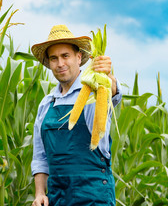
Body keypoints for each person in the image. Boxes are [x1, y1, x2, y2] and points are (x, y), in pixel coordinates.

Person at [30, 25, 122, 206]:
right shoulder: (46, 104)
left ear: (79, 57)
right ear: (49, 63)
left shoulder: (95, 93)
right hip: (58, 199)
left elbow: (112, 92)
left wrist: (107, 75)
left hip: (94, 198)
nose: (60, 63)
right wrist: (40, 193)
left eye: (65, 56)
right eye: (54, 58)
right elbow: (40, 158)